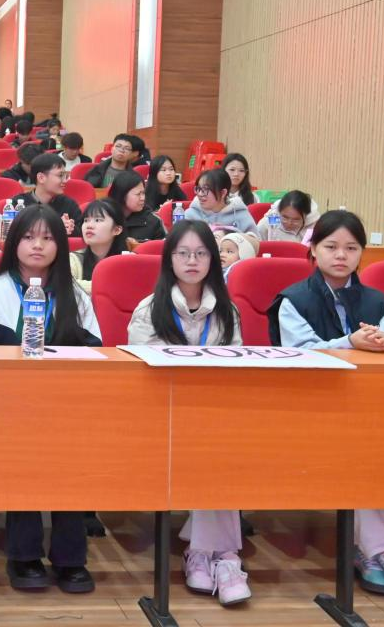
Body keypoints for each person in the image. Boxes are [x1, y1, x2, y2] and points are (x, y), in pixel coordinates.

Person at [271, 210, 384, 599]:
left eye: (351, 248)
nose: (341, 255)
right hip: (311, 409)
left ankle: (372, 552)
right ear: (313, 251)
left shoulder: (375, 299)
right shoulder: (293, 300)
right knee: (359, 450)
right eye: (331, 246)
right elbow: (300, 353)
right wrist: (350, 343)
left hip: (369, 407)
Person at [0, 205, 100, 594]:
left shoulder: (76, 296)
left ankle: (71, 558)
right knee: (20, 451)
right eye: (28, 237)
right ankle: (23, 556)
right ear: (12, 243)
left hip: (64, 406)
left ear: (60, 246)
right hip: (4, 406)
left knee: (71, 454)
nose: (38, 245)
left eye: (48, 238)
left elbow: (95, 354)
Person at [126, 220, 251, 606]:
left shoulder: (227, 310)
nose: (192, 261)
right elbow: (142, 372)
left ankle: (206, 553)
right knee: (210, 446)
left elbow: (236, 367)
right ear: (170, 260)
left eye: (201, 253)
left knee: (220, 445)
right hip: (160, 413)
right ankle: (223, 556)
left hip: (211, 411)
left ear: (213, 260)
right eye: (183, 253)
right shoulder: (150, 308)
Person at [9, 153, 82, 234]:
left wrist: (70, 229)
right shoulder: (18, 204)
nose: (65, 181)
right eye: (60, 175)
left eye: (66, 176)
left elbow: (81, 233)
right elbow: (12, 233)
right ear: (41, 178)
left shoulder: (69, 204)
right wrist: (55, 227)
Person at [70, 199, 129, 294]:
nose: (89, 226)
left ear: (117, 230)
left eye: (98, 220)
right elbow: (67, 284)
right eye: (86, 220)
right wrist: (110, 285)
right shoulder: (73, 259)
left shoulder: (128, 260)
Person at [183, 168, 257, 234]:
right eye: (198, 189)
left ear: (223, 193)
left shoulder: (240, 214)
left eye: (205, 189)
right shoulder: (191, 214)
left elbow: (255, 241)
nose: (199, 194)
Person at [109, 170, 164, 242]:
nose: (143, 198)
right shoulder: (105, 218)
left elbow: (161, 246)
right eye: (138, 194)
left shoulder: (153, 221)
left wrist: (137, 244)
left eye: (143, 193)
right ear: (122, 195)